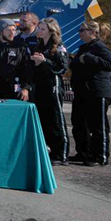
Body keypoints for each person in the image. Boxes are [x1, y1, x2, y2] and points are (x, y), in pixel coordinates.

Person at [69, 21, 111, 166]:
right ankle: (84, 153)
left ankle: (100, 156)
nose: (79, 33)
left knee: (98, 126)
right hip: (82, 92)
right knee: (79, 123)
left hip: (97, 91)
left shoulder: (99, 47)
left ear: (92, 32)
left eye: (82, 30)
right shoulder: (83, 48)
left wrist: (90, 58)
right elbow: (76, 65)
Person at [29, 18, 70, 164]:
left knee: (56, 119)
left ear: (51, 31)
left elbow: (62, 68)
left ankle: (61, 154)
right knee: (43, 119)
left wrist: (45, 61)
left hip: (53, 86)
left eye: (42, 29)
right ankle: (48, 150)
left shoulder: (58, 47)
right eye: (39, 28)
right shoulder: (39, 46)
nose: (39, 31)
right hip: (40, 87)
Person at [0, 19, 32, 101]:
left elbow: (27, 69)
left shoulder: (20, 47)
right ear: (1, 31)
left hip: (16, 89)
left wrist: (26, 88)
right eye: (9, 30)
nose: (12, 33)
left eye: (14, 30)